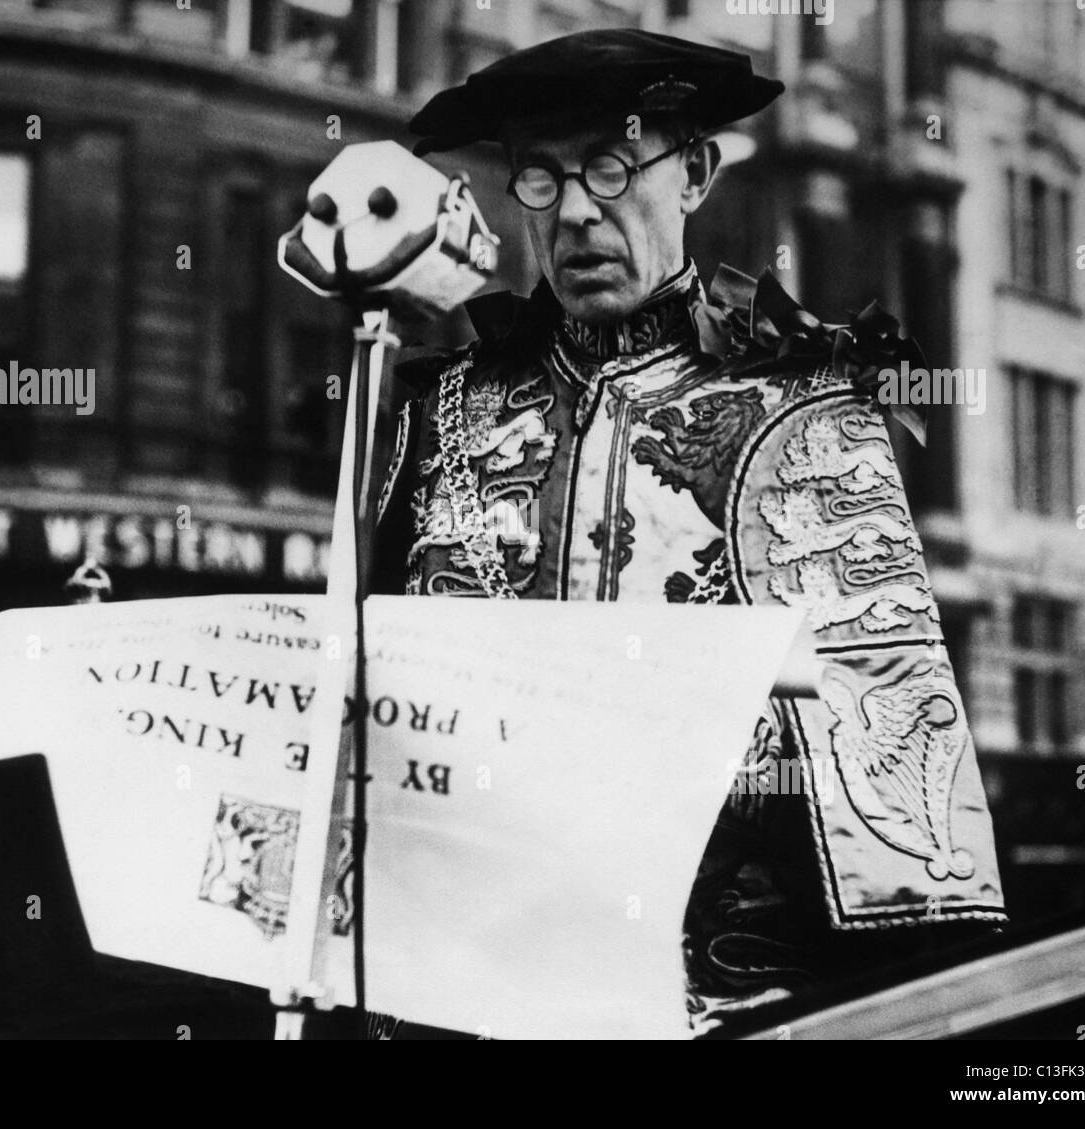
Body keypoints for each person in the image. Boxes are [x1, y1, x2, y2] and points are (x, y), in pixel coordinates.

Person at [370, 28, 1006, 1037]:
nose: (575, 211)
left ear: (696, 173)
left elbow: (902, 837)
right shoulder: (439, 416)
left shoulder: (806, 414)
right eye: (539, 179)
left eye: (611, 168)